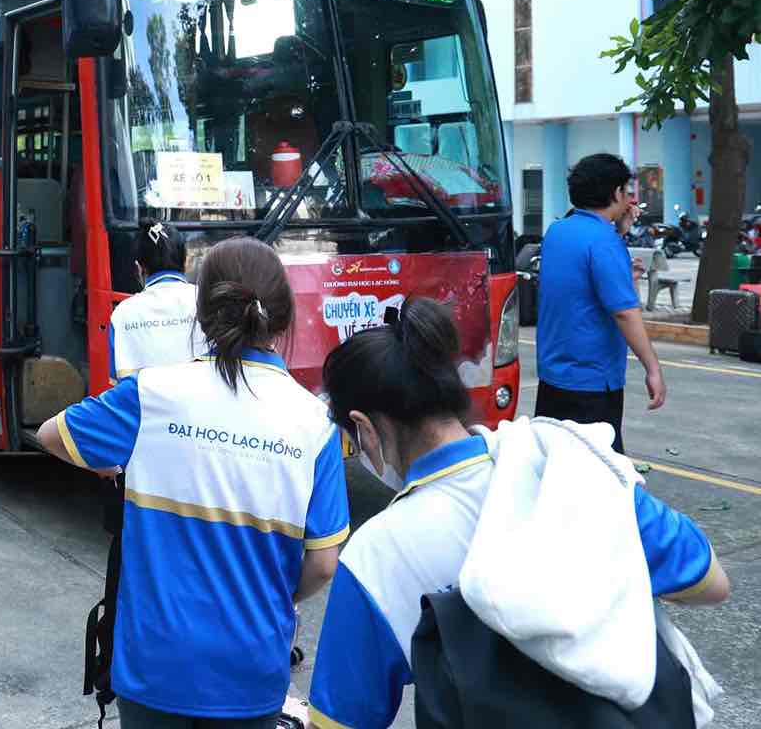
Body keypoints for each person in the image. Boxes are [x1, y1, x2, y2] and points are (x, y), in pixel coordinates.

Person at [307, 297, 729, 729]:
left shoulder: (376, 556)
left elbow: (340, 720)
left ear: (365, 427)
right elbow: (712, 583)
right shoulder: (567, 466)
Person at [37, 238, 349, 728]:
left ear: (201, 314)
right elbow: (323, 563)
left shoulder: (151, 394)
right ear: (284, 317)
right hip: (252, 670)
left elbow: (51, 434)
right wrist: (268, 596)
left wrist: (115, 465)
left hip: (155, 667)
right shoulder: (316, 424)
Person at [536, 153, 664, 453]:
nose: (629, 198)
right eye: (626, 190)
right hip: (591, 381)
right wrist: (653, 368)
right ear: (616, 193)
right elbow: (625, 313)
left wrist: (619, 233)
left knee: (555, 462)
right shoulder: (605, 242)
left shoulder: (557, 231)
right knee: (599, 468)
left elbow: (580, 284)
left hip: (553, 377)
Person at [109, 221, 204, 379]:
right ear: (186, 262)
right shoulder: (207, 300)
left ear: (138, 268)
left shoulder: (122, 314)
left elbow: (116, 380)